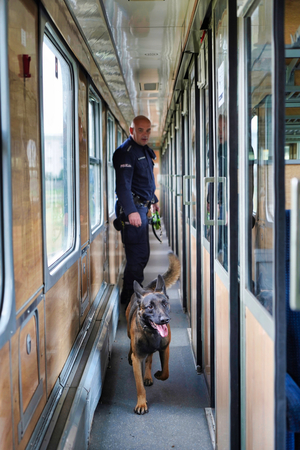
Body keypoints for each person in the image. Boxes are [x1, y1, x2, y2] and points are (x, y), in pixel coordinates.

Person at [113, 115, 160, 306]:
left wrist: (153, 201)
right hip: (132, 209)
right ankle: (129, 299)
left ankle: (132, 295)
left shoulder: (143, 151)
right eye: (140, 130)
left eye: (148, 130)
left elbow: (146, 182)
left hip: (142, 207)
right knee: (137, 256)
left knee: (142, 255)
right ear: (131, 131)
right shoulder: (127, 152)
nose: (145, 134)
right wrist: (131, 211)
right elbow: (123, 186)